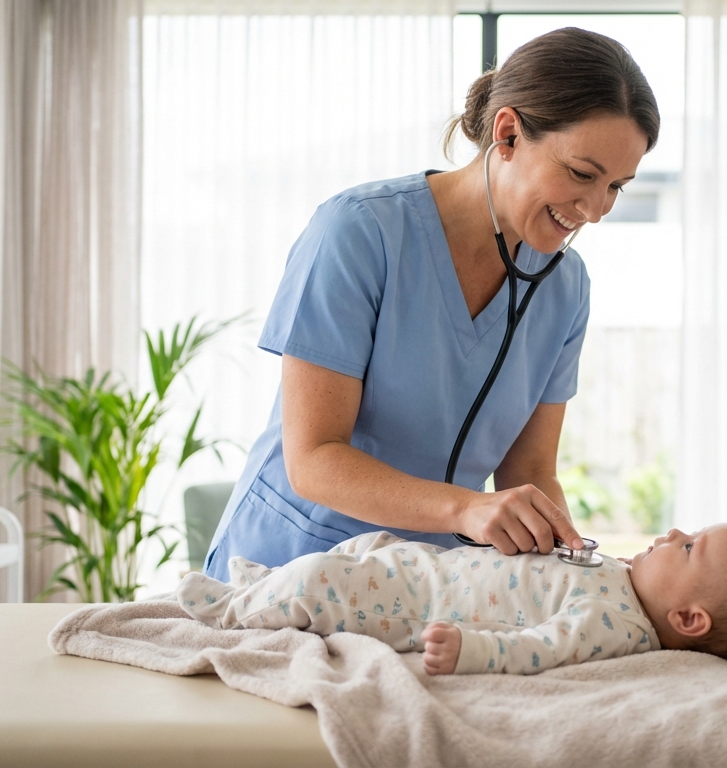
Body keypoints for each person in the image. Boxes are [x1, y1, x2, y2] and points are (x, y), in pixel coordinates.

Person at [203, 27, 660, 581]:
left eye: (616, 186)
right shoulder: (360, 232)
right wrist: (466, 509)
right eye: (582, 174)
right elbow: (314, 459)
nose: (596, 210)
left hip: (428, 587)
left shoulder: (566, 286)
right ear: (508, 134)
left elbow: (531, 472)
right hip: (285, 568)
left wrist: (576, 570)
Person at [179, 524, 727, 676]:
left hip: (414, 602)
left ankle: (230, 610)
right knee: (363, 549)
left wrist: (471, 650)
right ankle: (260, 585)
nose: (672, 533)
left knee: (321, 583)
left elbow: (537, 649)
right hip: (430, 564)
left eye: (689, 548)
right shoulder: (621, 578)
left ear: (688, 619)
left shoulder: (613, 626)